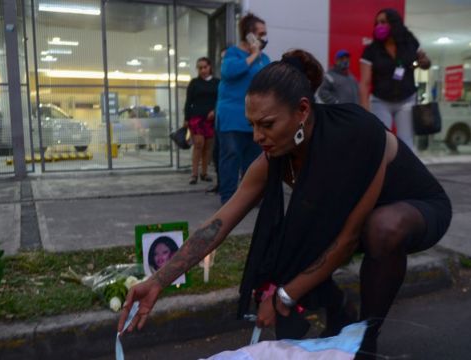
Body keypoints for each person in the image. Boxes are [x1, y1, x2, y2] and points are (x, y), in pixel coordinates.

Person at [119, 49, 452, 359]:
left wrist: (284, 294)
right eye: (252, 125)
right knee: (290, 244)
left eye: (267, 124)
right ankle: (339, 310)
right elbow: (219, 223)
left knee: (381, 227)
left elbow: (347, 240)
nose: (257, 137)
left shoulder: (358, 132)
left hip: (414, 211)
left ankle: (366, 337)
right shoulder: (272, 157)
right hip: (354, 221)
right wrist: (158, 280)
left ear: (302, 111)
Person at [215, 13, 270, 204]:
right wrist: (253, 54)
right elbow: (229, 72)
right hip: (232, 118)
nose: (264, 37)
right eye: (261, 33)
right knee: (231, 158)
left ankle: (250, 198)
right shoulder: (232, 53)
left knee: (254, 161)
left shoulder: (265, 59)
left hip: (254, 120)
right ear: (249, 35)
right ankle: (228, 198)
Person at [359, 8, 431, 151]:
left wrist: (425, 61)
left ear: (394, 23)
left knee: (406, 142)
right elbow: (364, 83)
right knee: (382, 142)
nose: (379, 26)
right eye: (377, 23)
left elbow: (426, 64)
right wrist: (364, 111)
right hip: (380, 102)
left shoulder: (410, 42)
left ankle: (408, 173)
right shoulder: (371, 50)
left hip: (406, 100)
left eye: (383, 22)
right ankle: (384, 173)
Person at [184, 57, 220, 184]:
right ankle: (194, 174)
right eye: (200, 68)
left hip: (211, 118)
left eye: (205, 67)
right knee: (199, 144)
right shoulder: (194, 83)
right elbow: (188, 102)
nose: (203, 70)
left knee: (208, 147)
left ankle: (204, 173)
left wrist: (215, 111)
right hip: (196, 118)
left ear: (210, 67)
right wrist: (186, 118)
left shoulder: (217, 82)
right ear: (197, 69)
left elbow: (220, 99)